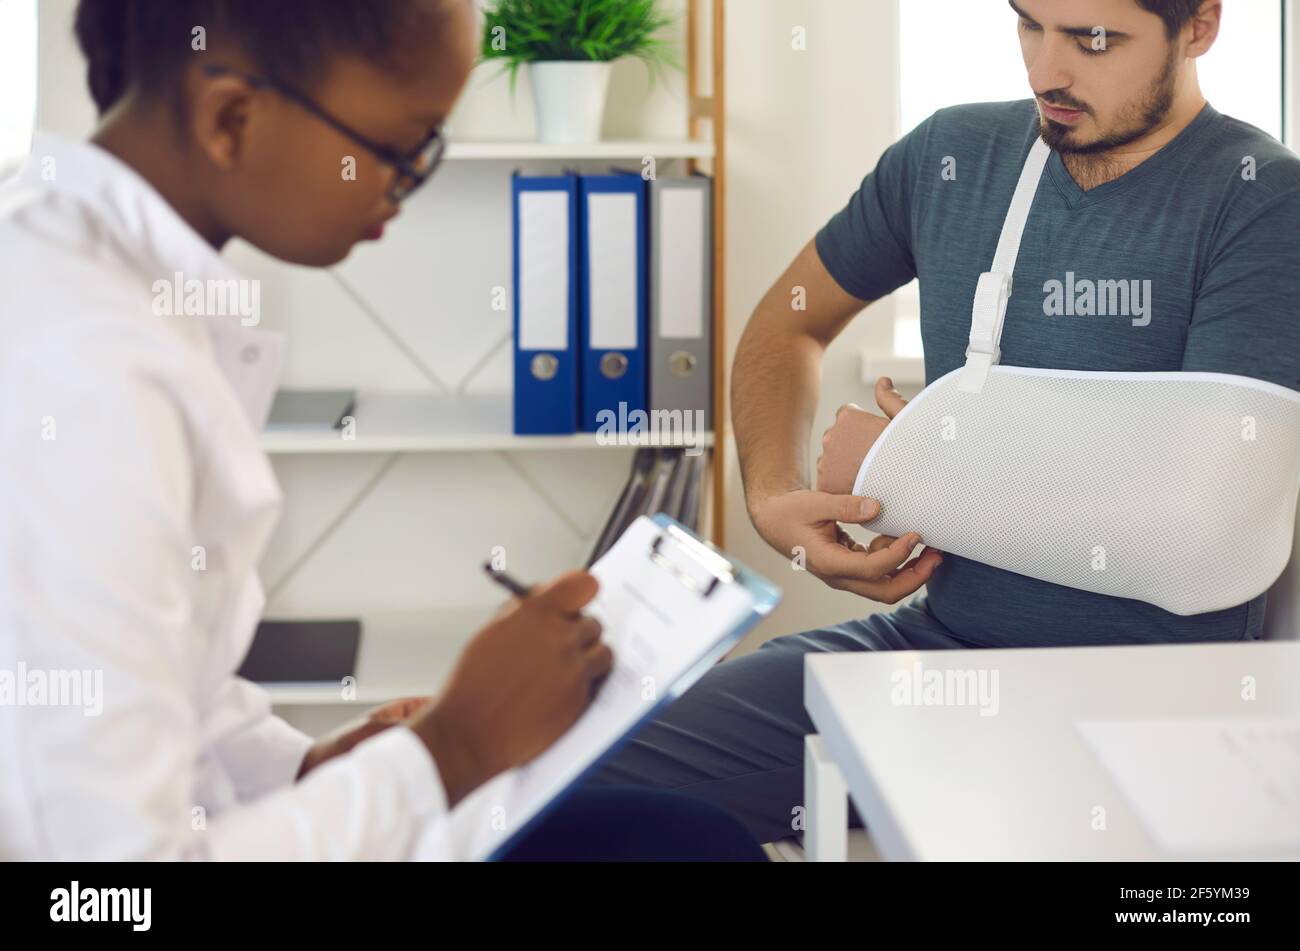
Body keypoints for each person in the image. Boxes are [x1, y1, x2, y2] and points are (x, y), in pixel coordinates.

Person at [0, 0, 762, 862]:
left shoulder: (106, 272)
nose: (409, 183)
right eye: (402, 148)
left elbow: (166, 702)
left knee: (682, 840)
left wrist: (314, 767)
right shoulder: (83, 362)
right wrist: (454, 748)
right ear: (232, 118)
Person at [589, 0, 1300, 844]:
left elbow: (1204, 541)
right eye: (1029, 25)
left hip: (1148, 703)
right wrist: (774, 497)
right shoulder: (950, 156)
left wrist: (906, 468)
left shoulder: (1261, 201)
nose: (1046, 72)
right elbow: (788, 325)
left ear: (1201, 26)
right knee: (566, 775)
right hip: (929, 649)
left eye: (1093, 40)